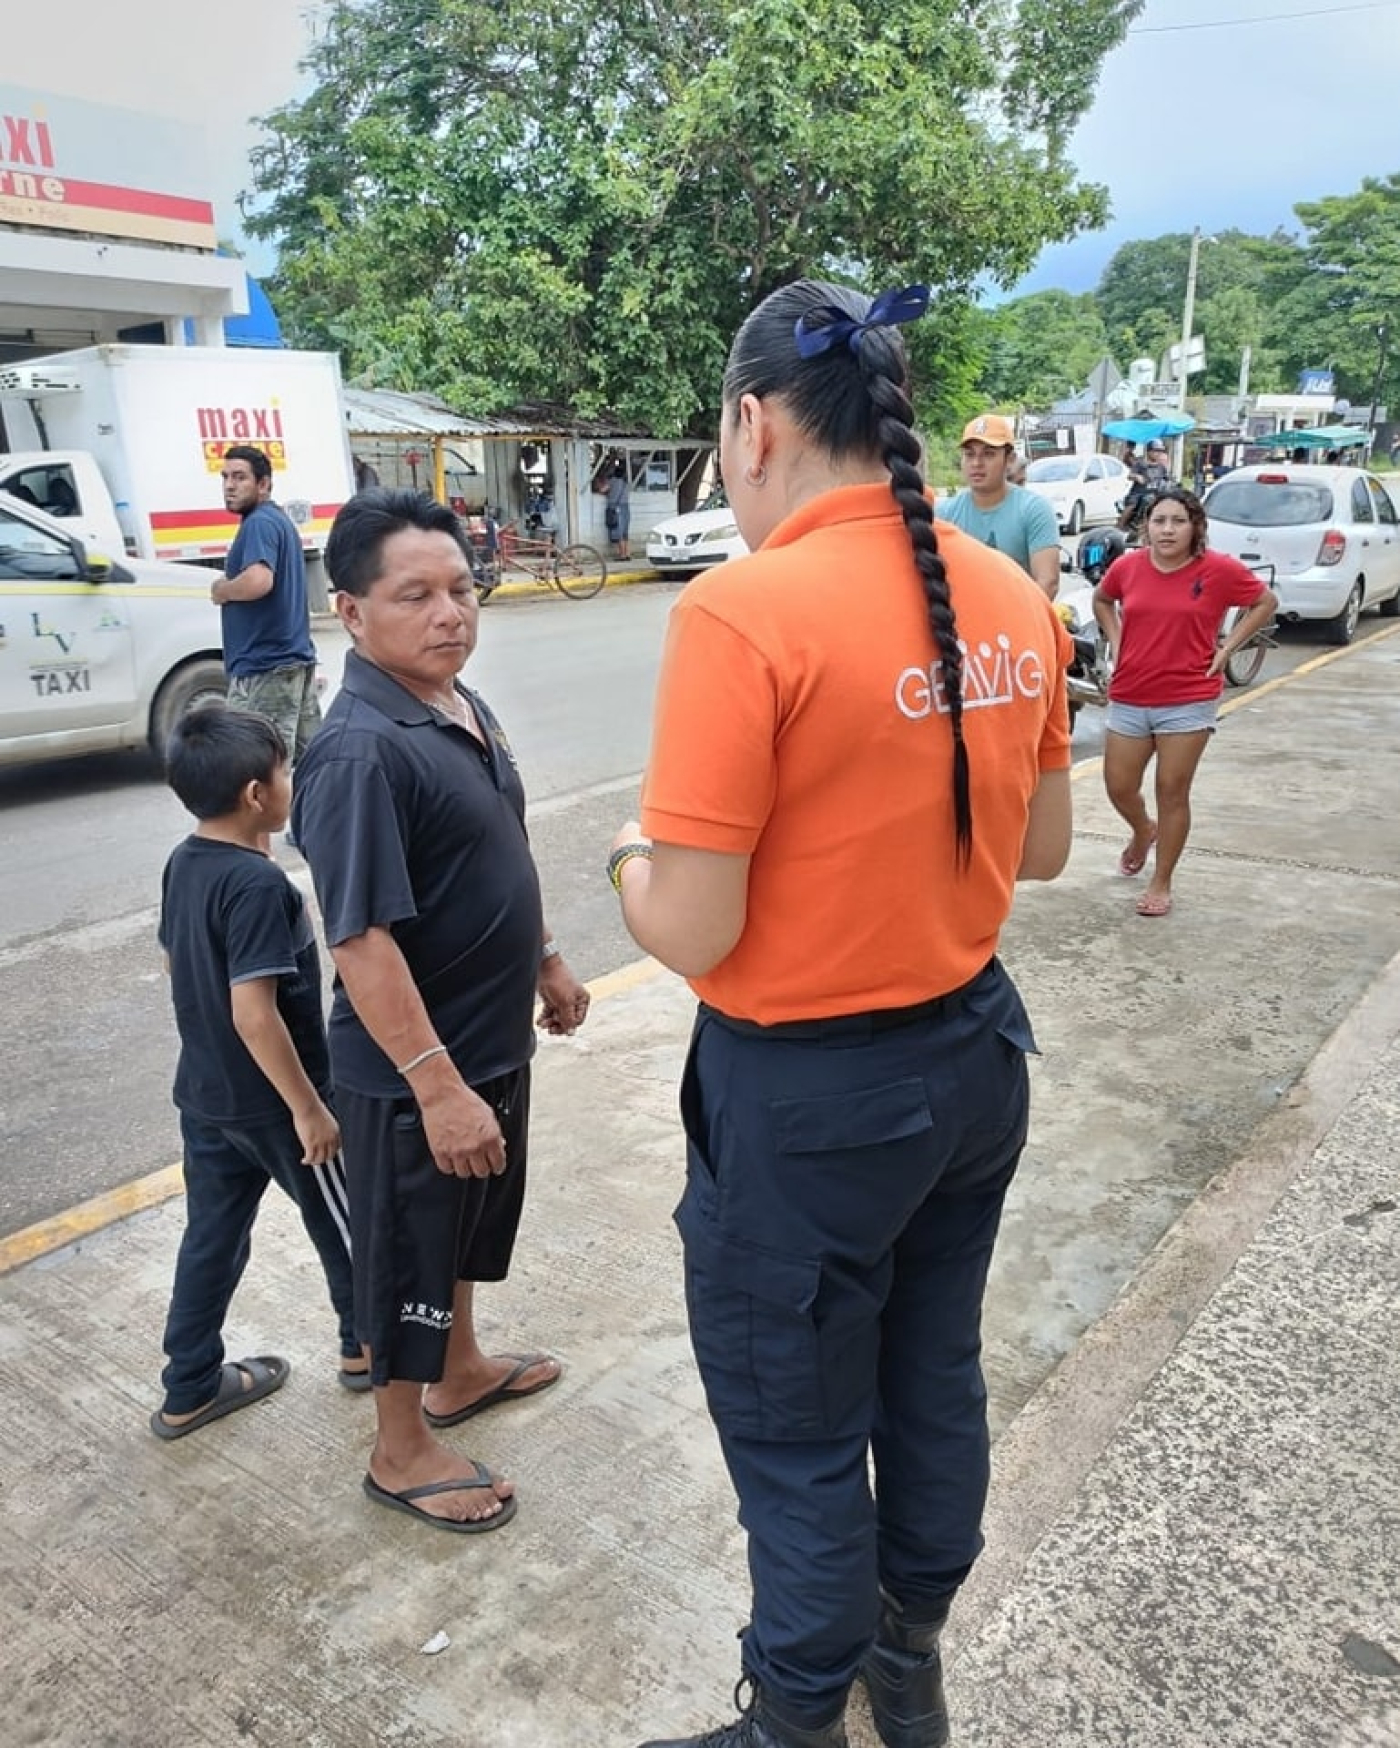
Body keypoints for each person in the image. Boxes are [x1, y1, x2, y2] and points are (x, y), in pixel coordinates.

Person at [608, 280, 1073, 1748]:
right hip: (974, 1058)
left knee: (801, 1435)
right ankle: (907, 1657)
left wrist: (628, 860)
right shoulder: (1011, 598)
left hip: (807, 1107)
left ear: (750, 425)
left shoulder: (744, 612)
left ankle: (793, 1718)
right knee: (931, 1373)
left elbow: (693, 924)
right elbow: (1048, 849)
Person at [290, 488, 591, 1534]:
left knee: (468, 1226)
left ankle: (460, 1368)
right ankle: (400, 1441)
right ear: (350, 611)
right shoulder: (360, 748)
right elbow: (360, 937)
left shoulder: (456, 703)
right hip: (418, 1071)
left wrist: (544, 959)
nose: (449, 612)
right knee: (407, 1250)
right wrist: (436, 1083)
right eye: (414, 594)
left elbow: (495, 847)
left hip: (488, 1037)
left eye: (460, 588)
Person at [151, 703, 364, 1441]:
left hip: (206, 1096)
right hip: (278, 1102)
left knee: (211, 1236)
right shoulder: (261, 887)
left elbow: (181, 963)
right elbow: (255, 1012)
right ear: (255, 794)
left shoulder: (185, 862)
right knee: (346, 1221)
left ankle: (188, 1386)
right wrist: (309, 1108)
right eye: (285, 771)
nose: (291, 783)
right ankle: (365, 1346)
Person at [1092, 485, 1277, 919]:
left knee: (1172, 790)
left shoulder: (1218, 570)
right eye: (1159, 521)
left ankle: (1161, 881)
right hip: (1132, 691)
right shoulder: (1128, 567)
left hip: (1188, 696)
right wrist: (1118, 642)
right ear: (1147, 527)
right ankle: (1143, 830)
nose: (1168, 530)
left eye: (1178, 521)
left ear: (1196, 527)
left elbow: (1265, 601)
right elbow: (1103, 600)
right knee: (1118, 785)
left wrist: (1228, 647)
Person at [211, 444, 321, 769]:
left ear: (263, 484)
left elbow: (259, 580)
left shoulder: (259, 523)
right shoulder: (278, 521)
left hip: (266, 668)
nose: (230, 485)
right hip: (290, 663)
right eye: (226, 477)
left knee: (260, 772)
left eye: (240, 477)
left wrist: (224, 590)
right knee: (313, 765)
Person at [939, 413, 1061, 599]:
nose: (976, 463)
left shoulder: (1033, 509)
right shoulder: (944, 513)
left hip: (1020, 618)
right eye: (969, 454)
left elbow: (1048, 582)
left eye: (988, 454)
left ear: (1009, 459)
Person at [1116, 439, 1172, 538]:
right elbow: (1130, 475)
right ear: (1149, 451)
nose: (1158, 453)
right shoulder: (1140, 464)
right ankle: (1120, 527)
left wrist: (1171, 483)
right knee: (1132, 506)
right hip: (1139, 494)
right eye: (1155, 451)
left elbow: (1167, 479)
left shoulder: (1161, 467)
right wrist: (1137, 477)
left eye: (1160, 451)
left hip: (1156, 494)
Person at [605, 456, 631, 560]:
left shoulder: (613, 481)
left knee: (618, 532)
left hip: (616, 508)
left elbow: (603, 490)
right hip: (626, 507)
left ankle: (622, 555)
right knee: (625, 533)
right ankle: (628, 554)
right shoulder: (626, 483)